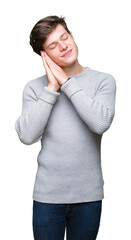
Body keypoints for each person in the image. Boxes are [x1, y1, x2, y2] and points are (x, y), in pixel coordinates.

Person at [14, 15, 117, 240]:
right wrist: (51, 88)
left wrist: (67, 84)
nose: (63, 46)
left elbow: (100, 123)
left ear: (72, 36)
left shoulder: (103, 81)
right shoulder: (34, 88)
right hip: (47, 198)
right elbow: (27, 136)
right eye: (53, 45)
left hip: (88, 197)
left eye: (64, 37)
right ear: (44, 55)